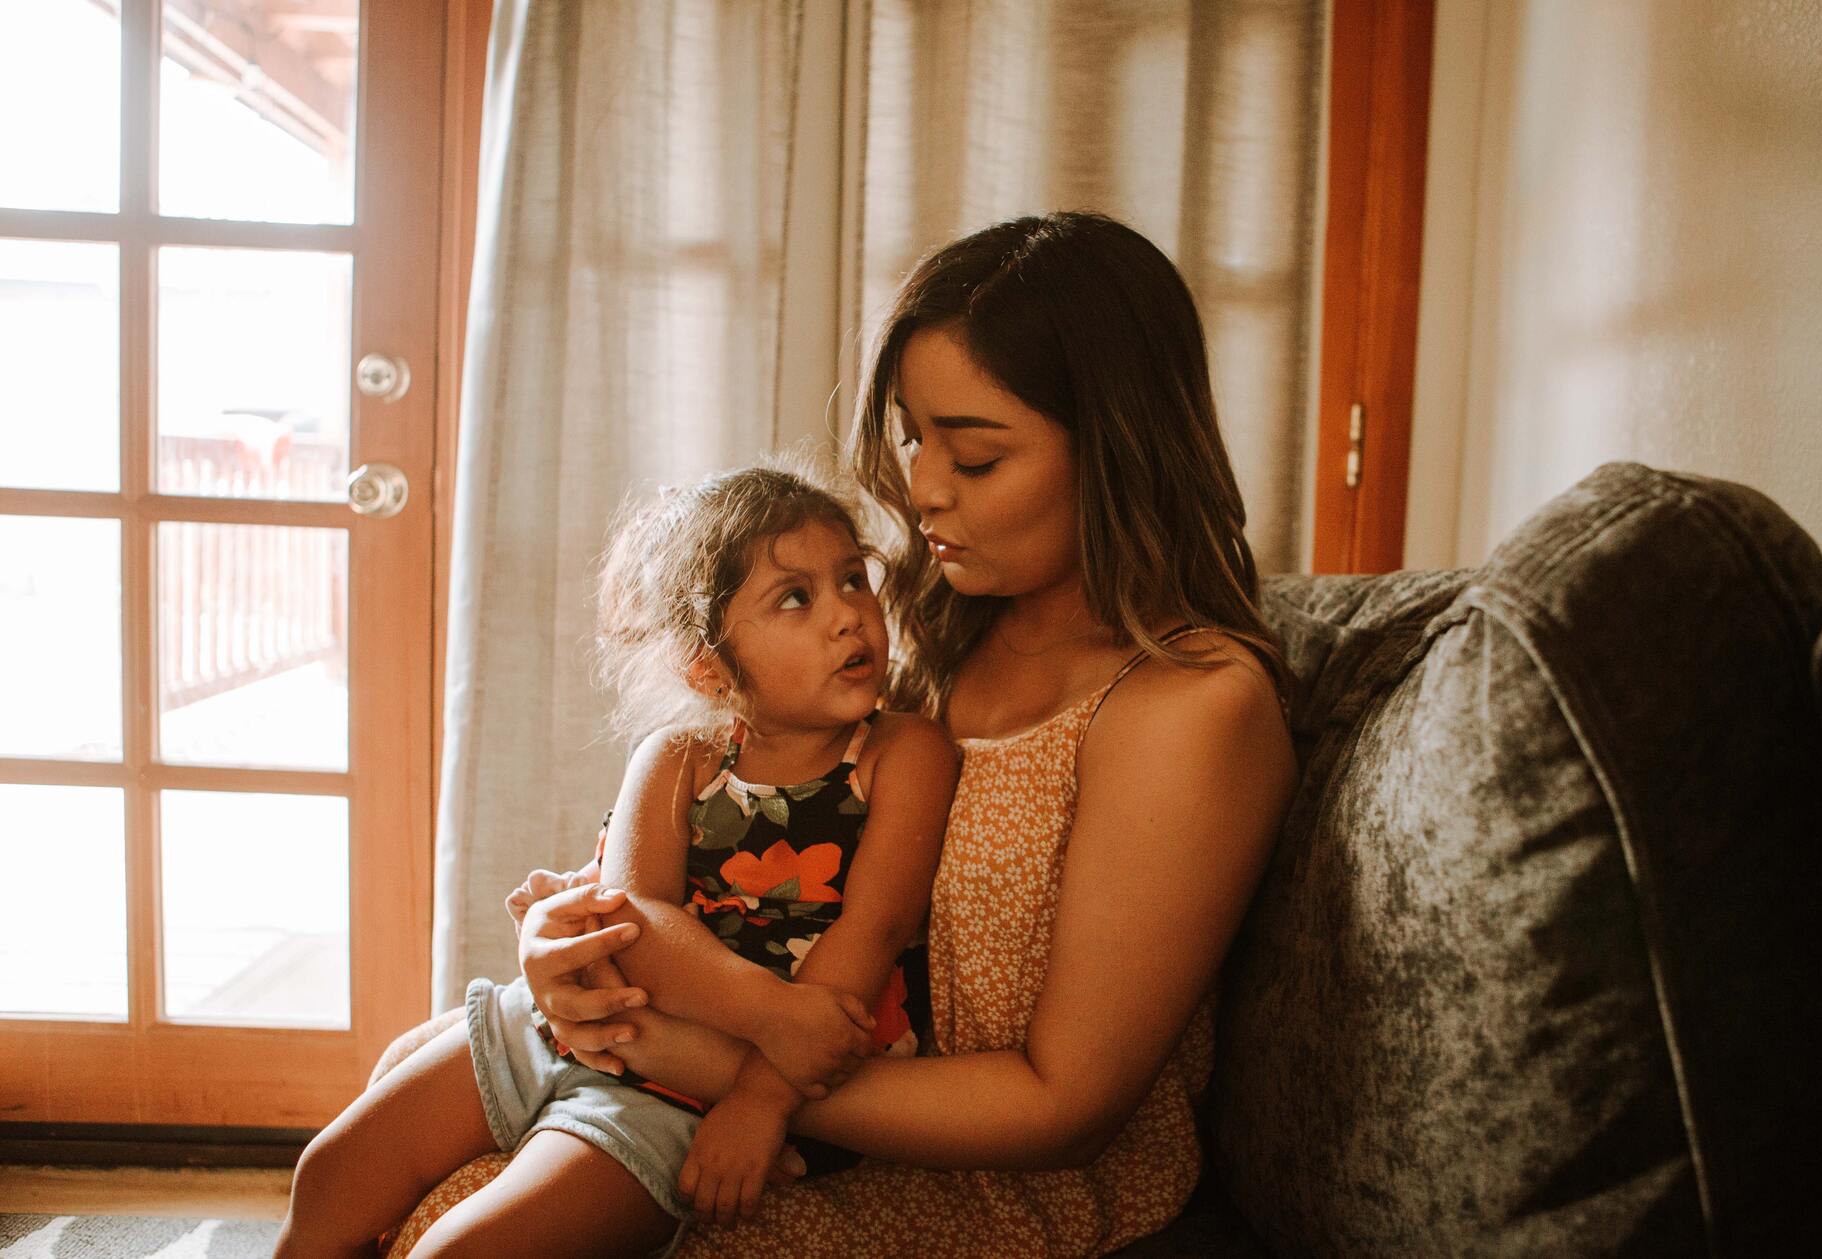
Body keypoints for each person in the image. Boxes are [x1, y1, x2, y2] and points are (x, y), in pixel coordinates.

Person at [510, 211, 1300, 1257]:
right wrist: (572, 943)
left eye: (975, 456)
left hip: (1004, 1194)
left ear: (1117, 452)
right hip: (796, 1110)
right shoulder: (930, 637)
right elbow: (743, 862)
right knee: (417, 1177)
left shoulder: (1192, 707)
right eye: (915, 437)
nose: (922, 488)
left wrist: (714, 1065)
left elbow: (1063, 1108)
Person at [275, 465, 960, 1259]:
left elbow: (873, 932)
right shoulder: (678, 757)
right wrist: (772, 1012)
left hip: (677, 1095)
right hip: (556, 1027)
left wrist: (760, 1101)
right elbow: (634, 921)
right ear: (709, 667)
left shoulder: (903, 753)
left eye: (852, 579)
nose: (847, 615)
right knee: (327, 1178)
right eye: (795, 598)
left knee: (459, 1252)